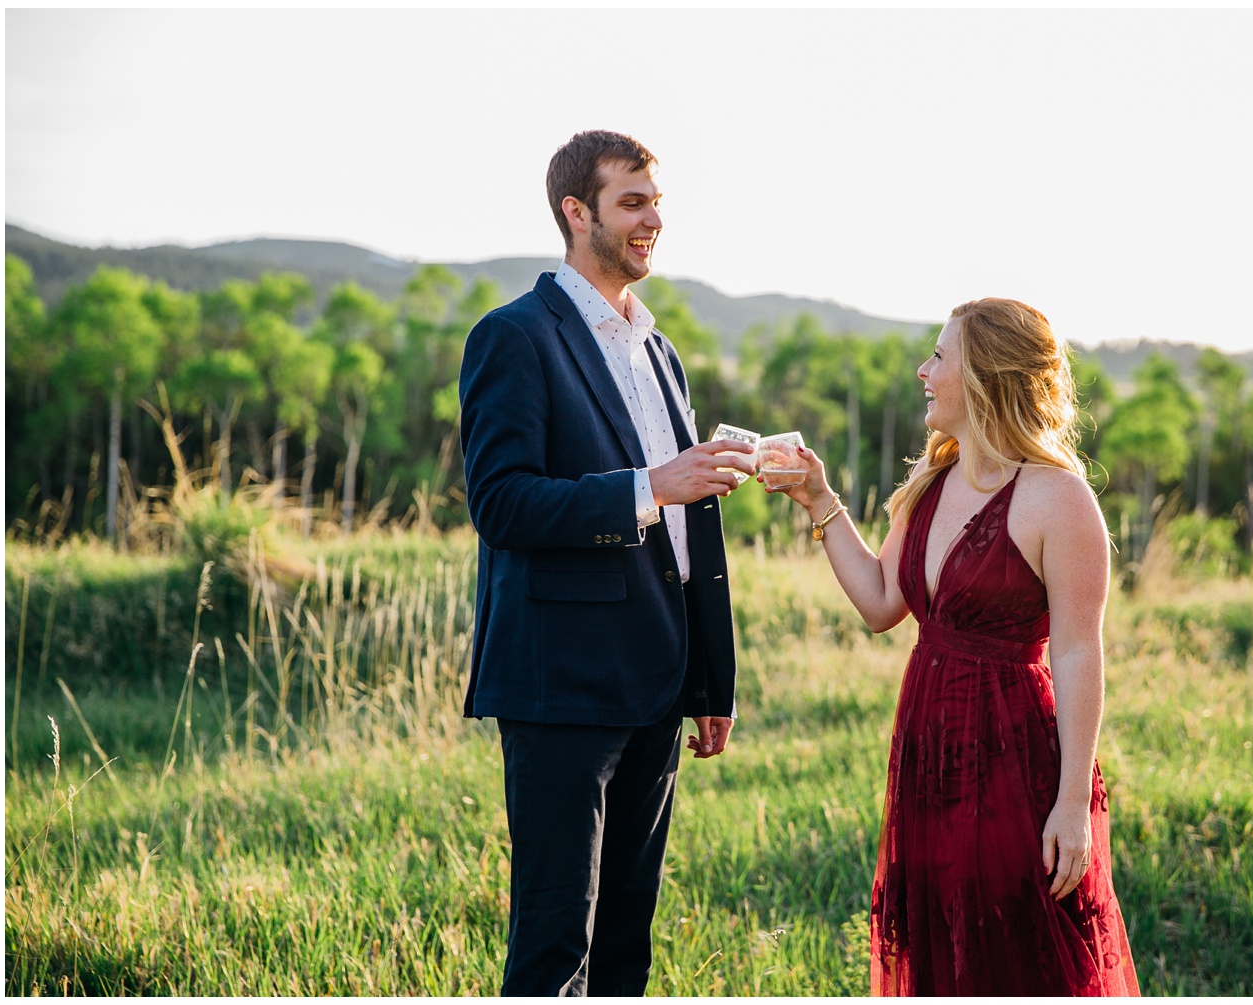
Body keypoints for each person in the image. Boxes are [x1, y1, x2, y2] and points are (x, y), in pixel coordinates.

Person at [765, 298, 1140, 996]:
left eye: (940, 357)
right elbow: (881, 601)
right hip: (929, 752)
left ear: (987, 377)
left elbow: (1080, 653)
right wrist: (820, 501)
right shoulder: (931, 485)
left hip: (1016, 757)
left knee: (1020, 947)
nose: (923, 371)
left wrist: (1068, 806)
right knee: (943, 941)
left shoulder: (1059, 499)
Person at [458, 130, 755, 996]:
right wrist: (648, 484)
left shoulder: (659, 351)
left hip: (658, 689)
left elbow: (682, 530)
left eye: (657, 203)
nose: (653, 220)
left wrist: (710, 681)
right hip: (561, 688)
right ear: (575, 211)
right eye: (633, 203)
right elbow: (502, 503)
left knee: (627, 945)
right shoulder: (513, 336)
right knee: (554, 948)